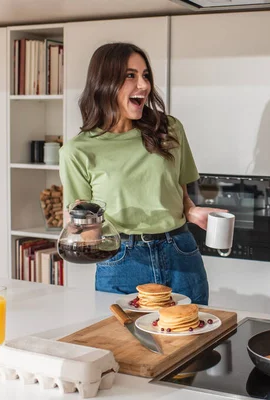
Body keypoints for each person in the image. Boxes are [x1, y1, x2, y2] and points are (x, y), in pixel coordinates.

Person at [59, 42, 224, 305]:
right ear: (104, 83)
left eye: (145, 75)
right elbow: (81, 221)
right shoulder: (77, 151)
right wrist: (83, 231)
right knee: (126, 344)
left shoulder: (169, 129)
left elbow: (182, 197)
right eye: (130, 76)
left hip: (180, 250)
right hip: (122, 260)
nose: (144, 85)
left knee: (192, 337)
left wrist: (192, 212)